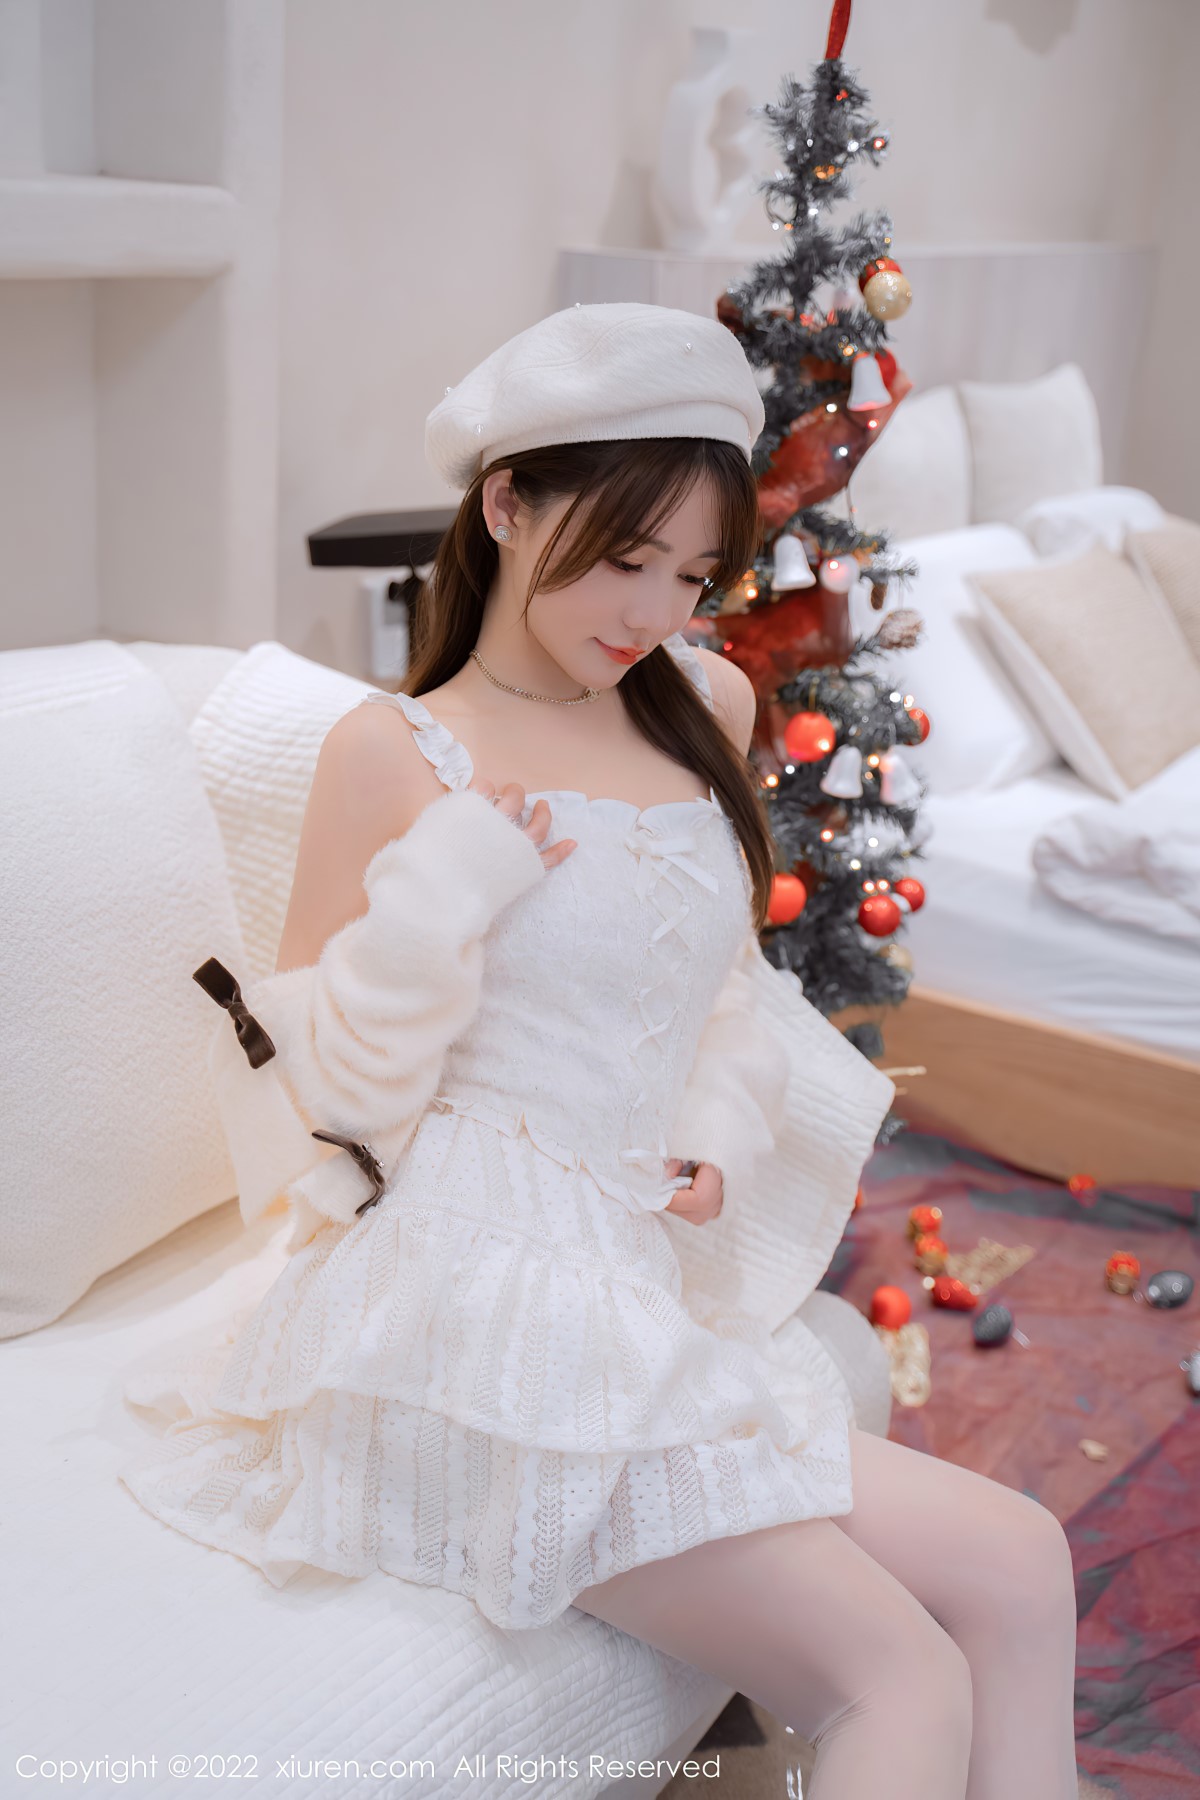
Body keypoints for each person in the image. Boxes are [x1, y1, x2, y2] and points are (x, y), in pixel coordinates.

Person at [120, 303, 1079, 1798]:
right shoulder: (391, 752)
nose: (654, 609)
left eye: (691, 574)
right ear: (508, 504)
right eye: (627, 558)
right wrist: (452, 885)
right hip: (466, 1301)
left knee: (1021, 1560)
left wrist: (716, 1125)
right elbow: (329, 1103)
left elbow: (722, 986)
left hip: (627, 1276)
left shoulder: (704, 701)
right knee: (900, 1675)